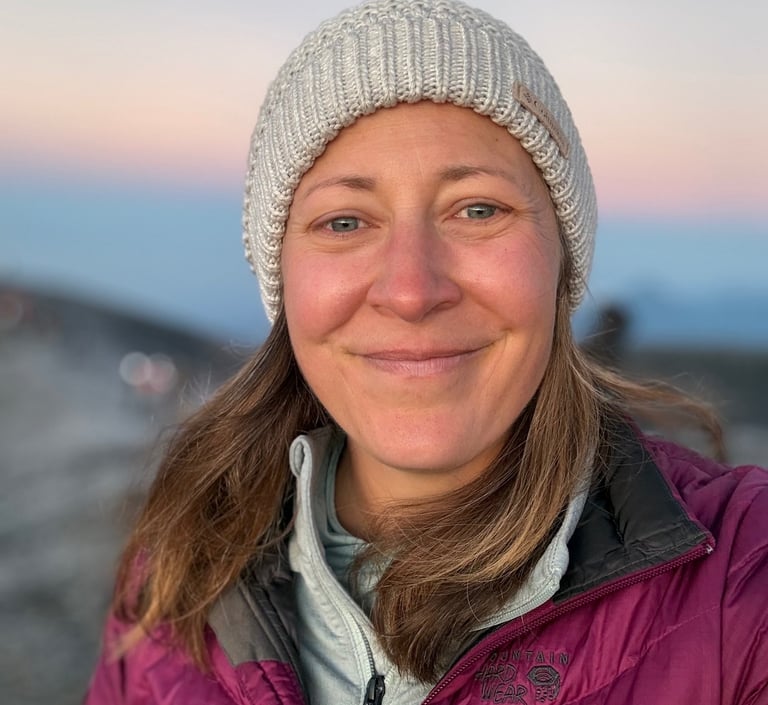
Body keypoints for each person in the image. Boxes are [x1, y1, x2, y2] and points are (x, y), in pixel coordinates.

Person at [85, 1, 768, 703]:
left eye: (478, 209)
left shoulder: (744, 577)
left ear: (561, 262)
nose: (411, 291)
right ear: (282, 278)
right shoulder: (178, 581)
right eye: (344, 221)